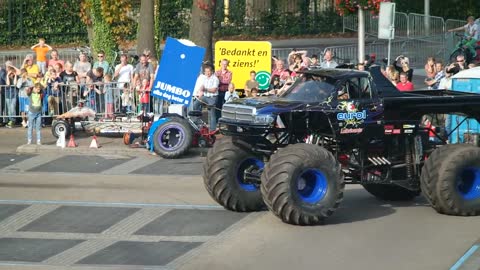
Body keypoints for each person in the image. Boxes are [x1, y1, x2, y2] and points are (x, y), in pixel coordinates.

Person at [193, 64, 219, 131]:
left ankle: (212, 129)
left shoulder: (215, 79)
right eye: (206, 71)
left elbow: (214, 90)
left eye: (208, 71)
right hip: (205, 96)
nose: (207, 73)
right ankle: (197, 121)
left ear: (212, 71)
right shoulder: (204, 78)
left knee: (211, 112)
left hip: (212, 97)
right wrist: (199, 92)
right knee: (195, 104)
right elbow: (201, 87)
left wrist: (205, 89)